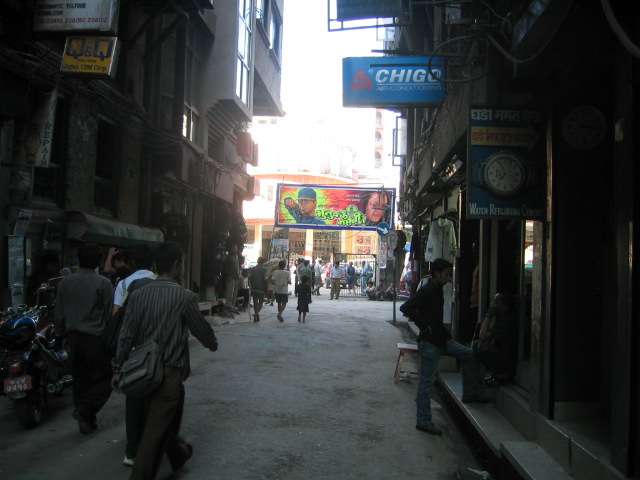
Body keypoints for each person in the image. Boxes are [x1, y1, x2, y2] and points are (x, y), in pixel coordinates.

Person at [113, 241, 218, 479]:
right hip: (169, 373)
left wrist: (118, 368)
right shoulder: (184, 296)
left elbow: (126, 335)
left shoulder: (137, 295)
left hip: (140, 371)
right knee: (155, 428)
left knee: (159, 420)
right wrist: (211, 343)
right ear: (177, 265)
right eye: (182, 264)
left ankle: (178, 453)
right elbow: (202, 332)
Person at [399, 258, 487, 436]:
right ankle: (423, 421)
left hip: (440, 340)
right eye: (446, 275)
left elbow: (433, 316)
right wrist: (424, 325)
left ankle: (470, 393)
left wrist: (443, 332)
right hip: (430, 344)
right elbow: (406, 307)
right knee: (426, 383)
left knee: (468, 354)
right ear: (437, 274)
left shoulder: (437, 289)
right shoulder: (427, 290)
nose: (448, 279)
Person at [54, 243, 114, 434]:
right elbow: (109, 314)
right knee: (105, 379)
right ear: (98, 262)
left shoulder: (66, 282)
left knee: (80, 380)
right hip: (95, 338)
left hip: (73, 338)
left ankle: (85, 416)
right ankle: (85, 410)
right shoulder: (103, 283)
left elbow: (59, 313)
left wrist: (60, 335)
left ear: (79, 260)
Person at [473, 292, 518, 386]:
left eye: (496, 303)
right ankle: (478, 376)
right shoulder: (501, 316)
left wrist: (489, 315)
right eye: (493, 302)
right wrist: (487, 339)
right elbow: (487, 335)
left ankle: (502, 374)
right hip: (502, 351)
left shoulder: (507, 320)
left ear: (505, 307)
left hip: (509, 358)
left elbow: (482, 335)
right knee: (476, 344)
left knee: (481, 346)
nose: (493, 305)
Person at [113, 244, 156, 315]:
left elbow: (115, 311)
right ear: (153, 263)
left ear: (133, 262)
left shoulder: (123, 283)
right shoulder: (160, 281)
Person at [249, 257, 268, 322]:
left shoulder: (252, 269)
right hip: (261, 288)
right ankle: (256, 313)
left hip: (254, 287)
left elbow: (250, 278)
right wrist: (266, 289)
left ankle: (256, 315)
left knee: (255, 302)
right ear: (263, 262)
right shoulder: (265, 269)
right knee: (260, 302)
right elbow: (265, 279)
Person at [223, 243, 240, 315]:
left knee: (234, 292)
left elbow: (237, 266)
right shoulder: (228, 257)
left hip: (236, 276)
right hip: (231, 276)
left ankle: (233, 305)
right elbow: (226, 267)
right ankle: (228, 304)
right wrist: (228, 275)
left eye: (236, 248)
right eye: (234, 248)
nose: (235, 249)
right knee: (230, 291)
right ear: (231, 249)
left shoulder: (236, 256)